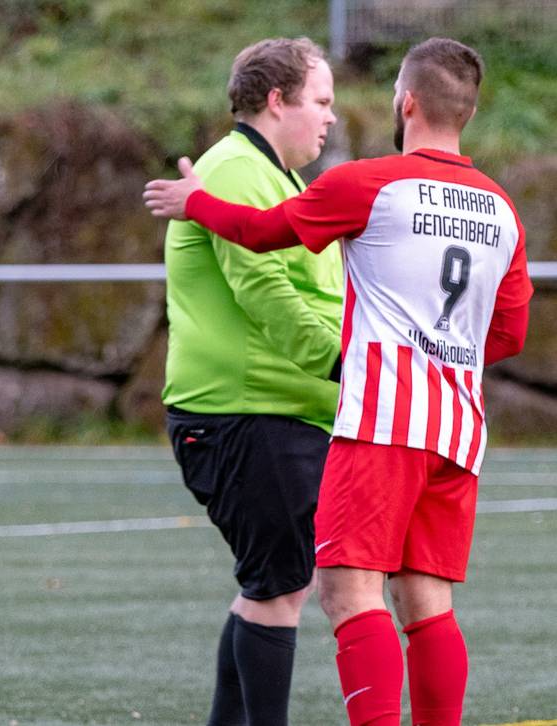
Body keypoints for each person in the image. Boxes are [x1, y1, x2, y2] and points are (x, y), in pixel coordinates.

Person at [146, 37, 533, 726]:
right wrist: (444, 352)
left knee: (350, 595)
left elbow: (261, 236)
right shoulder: (502, 209)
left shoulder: (370, 182)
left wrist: (195, 203)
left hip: (383, 418)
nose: (329, 116)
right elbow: (508, 335)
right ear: (468, 113)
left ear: (406, 102)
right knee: (428, 605)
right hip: (457, 427)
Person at [159, 37, 342, 725]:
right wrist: (347, 366)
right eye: (320, 101)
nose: (329, 118)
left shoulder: (272, 177)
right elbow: (268, 297)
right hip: (248, 414)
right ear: (277, 101)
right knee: (277, 591)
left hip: (275, 413)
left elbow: (316, 295)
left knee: (272, 589)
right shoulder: (237, 172)